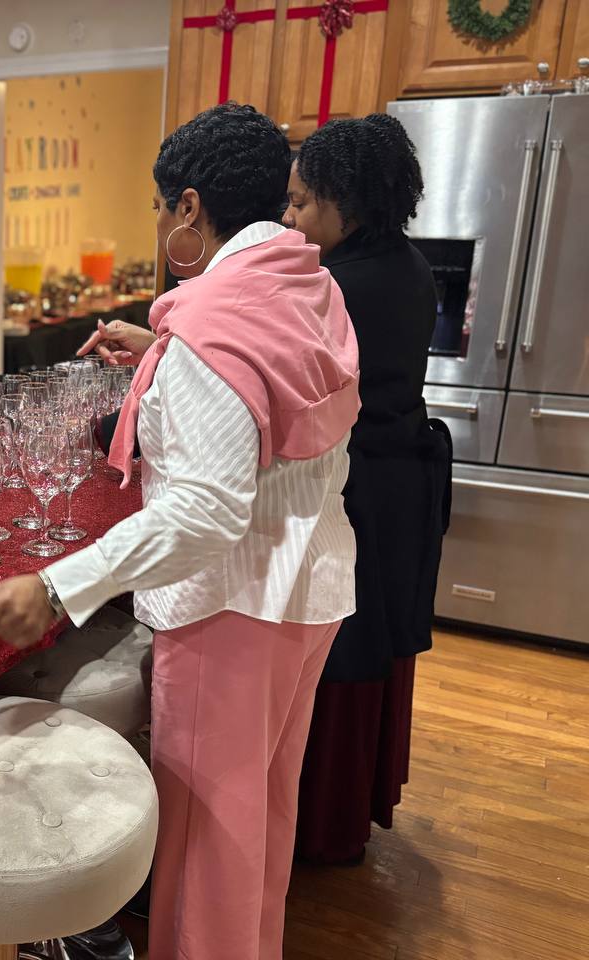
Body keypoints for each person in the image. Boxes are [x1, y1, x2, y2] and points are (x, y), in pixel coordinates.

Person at [0, 103, 361, 960]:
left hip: (232, 605)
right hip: (310, 584)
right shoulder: (307, 282)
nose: (157, 224)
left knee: (208, 842)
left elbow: (207, 510)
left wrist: (58, 587)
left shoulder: (215, 322)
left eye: (158, 207)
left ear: (189, 206)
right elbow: (268, 379)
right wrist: (161, 346)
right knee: (261, 819)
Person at [282, 115, 452, 864]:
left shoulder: (335, 286)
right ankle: (347, 814)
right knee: (370, 650)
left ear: (344, 202)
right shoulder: (407, 264)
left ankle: (319, 828)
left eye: (301, 203)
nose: (290, 218)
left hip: (357, 491)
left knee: (339, 650)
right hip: (400, 482)